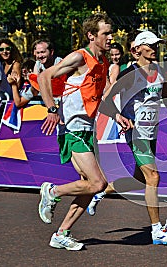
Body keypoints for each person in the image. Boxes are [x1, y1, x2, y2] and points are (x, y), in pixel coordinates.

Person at [37, 12, 125, 251]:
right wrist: (51, 108)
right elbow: (44, 75)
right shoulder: (80, 57)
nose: (110, 37)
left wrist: (117, 116)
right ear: (91, 35)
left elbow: (99, 98)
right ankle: (52, 191)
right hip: (72, 127)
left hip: (87, 128)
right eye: (105, 33)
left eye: (110, 32)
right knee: (98, 183)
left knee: (89, 184)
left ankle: (61, 234)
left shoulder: (104, 62)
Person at [88, 31, 167, 245]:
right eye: (150, 45)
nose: (155, 48)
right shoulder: (129, 74)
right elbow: (106, 102)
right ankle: (156, 230)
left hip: (152, 131)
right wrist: (119, 116)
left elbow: (165, 96)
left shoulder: (159, 71)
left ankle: (101, 191)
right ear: (136, 49)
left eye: (157, 44)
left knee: (139, 179)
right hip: (136, 132)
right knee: (153, 177)